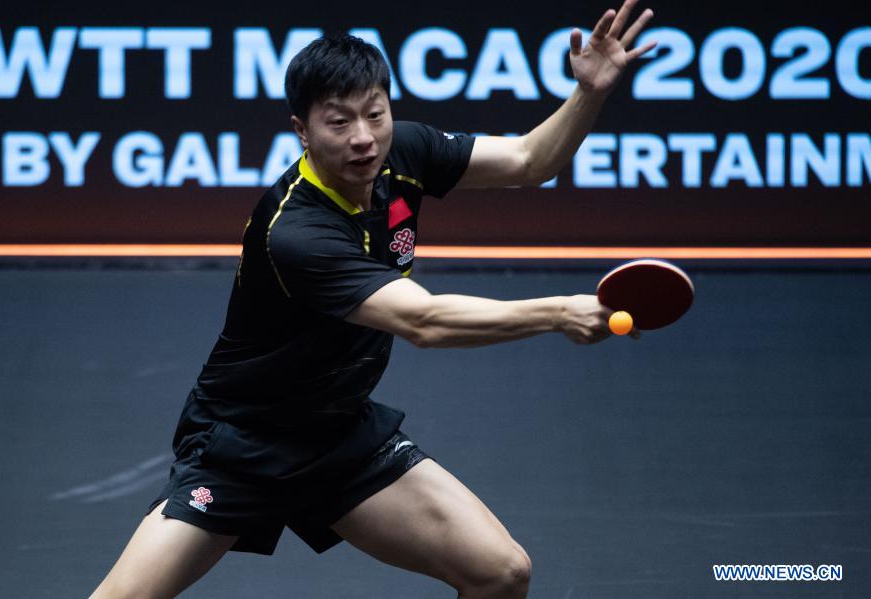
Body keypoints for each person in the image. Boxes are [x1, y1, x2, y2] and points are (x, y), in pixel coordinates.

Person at [92, 2, 655, 597]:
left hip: (339, 433)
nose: (363, 138)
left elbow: (529, 160)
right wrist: (558, 312)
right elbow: (425, 321)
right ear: (302, 131)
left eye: (375, 114)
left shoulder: (403, 153)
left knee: (501, 573)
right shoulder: (296, 233)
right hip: (242, 442)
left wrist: (588, 93)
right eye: (338, 123)